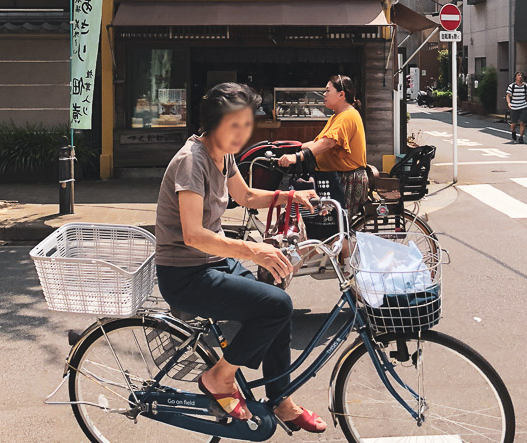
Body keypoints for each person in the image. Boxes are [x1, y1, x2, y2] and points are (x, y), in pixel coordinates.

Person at [155, 83, 327, 433]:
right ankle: (219, 376)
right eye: (234, 125)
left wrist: (289, 196)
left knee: (278, 301)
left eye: (246, 125)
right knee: (275, 306)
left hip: (209, 264)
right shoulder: (192, 160)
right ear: (213, 122)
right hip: (184, 274)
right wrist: (253, 250)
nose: (242, 134)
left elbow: (245, 195)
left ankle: (281, 400)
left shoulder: (223, 154)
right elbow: (193, 234)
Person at [278, 75, 368, 222]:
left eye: (327, 91)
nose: (324, 95)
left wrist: (297, 157)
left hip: (345, 179)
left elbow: (327, 143)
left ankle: (346, 245)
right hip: (333, 177)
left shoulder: (348, 115)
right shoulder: (337, 116)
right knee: (325, 226)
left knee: (336, 228)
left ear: (341, 94)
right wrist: (288, 147)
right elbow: (317, 143)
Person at [506, 71, 527, 144]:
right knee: (513, 124)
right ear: (515, 77)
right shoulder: (512, 86)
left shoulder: (526, 86)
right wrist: (509, 103)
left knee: (522, 122)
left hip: (523, 106)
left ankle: (521, 137)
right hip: (514, 107)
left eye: (521, 75)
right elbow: (508, 95)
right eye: (518, 75)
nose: (520, 76)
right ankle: (513, 131)